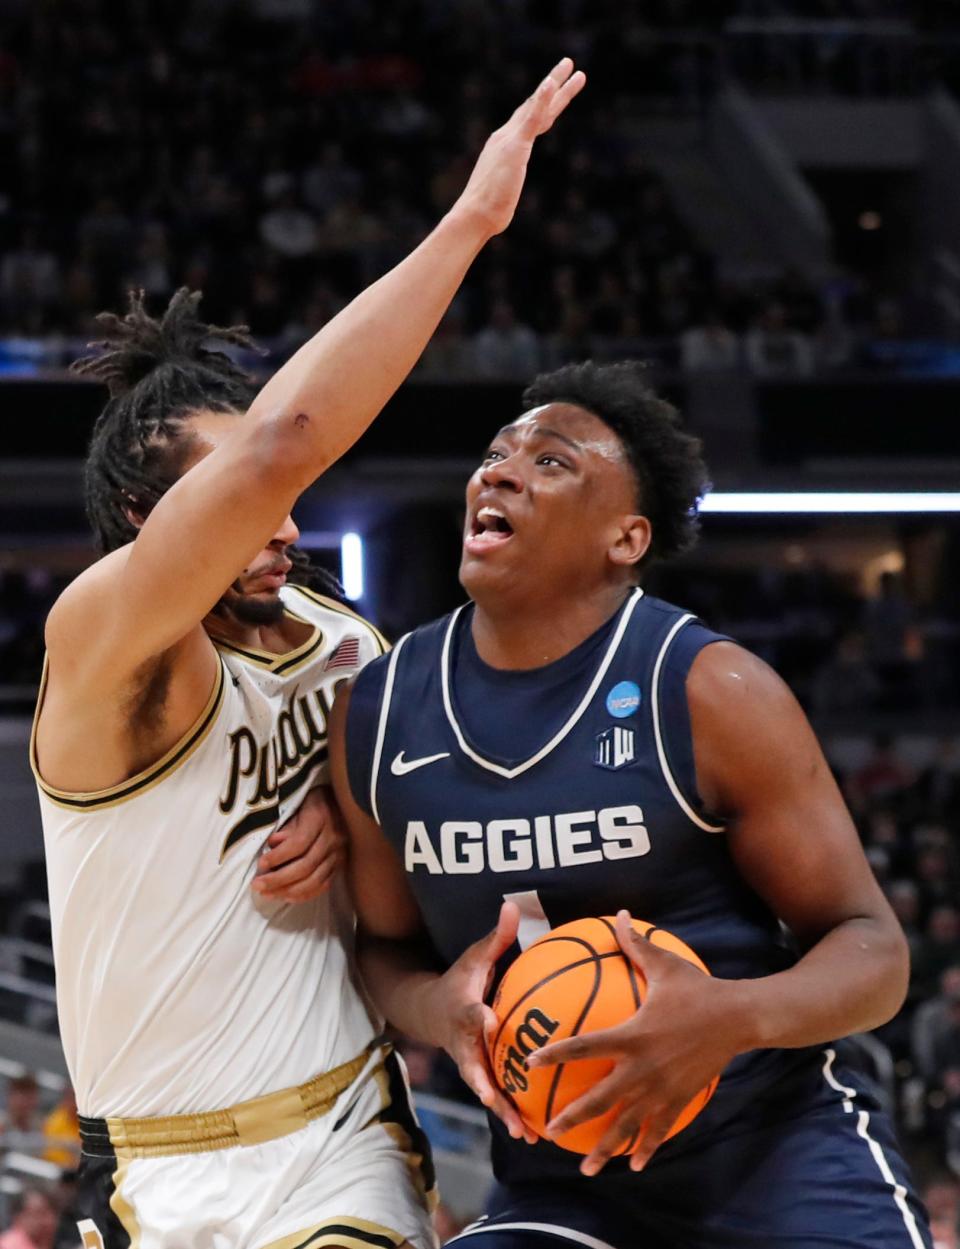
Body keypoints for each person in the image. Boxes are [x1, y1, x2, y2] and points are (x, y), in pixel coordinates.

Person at [30, 60, 586, 1249]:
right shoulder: (99, 641)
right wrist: (473, 221)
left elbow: (402, 855)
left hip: (342, 1133)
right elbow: (285, 441)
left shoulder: (346, 641)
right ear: (149, 519)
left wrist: (349, 814)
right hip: (158, 1175)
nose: (286, 520)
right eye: (238, 503)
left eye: (287, 501)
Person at [330, 360, 932, 1249]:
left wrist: (730, 1017)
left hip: (771, 1153)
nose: (499, 471)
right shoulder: (378, 714)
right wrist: (436, 1009)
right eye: (497, 454)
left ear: (626, 537)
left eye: (551, 462)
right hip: (564, 1185)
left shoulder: (707, 689)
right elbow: (381, 949)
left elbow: (874, 953)